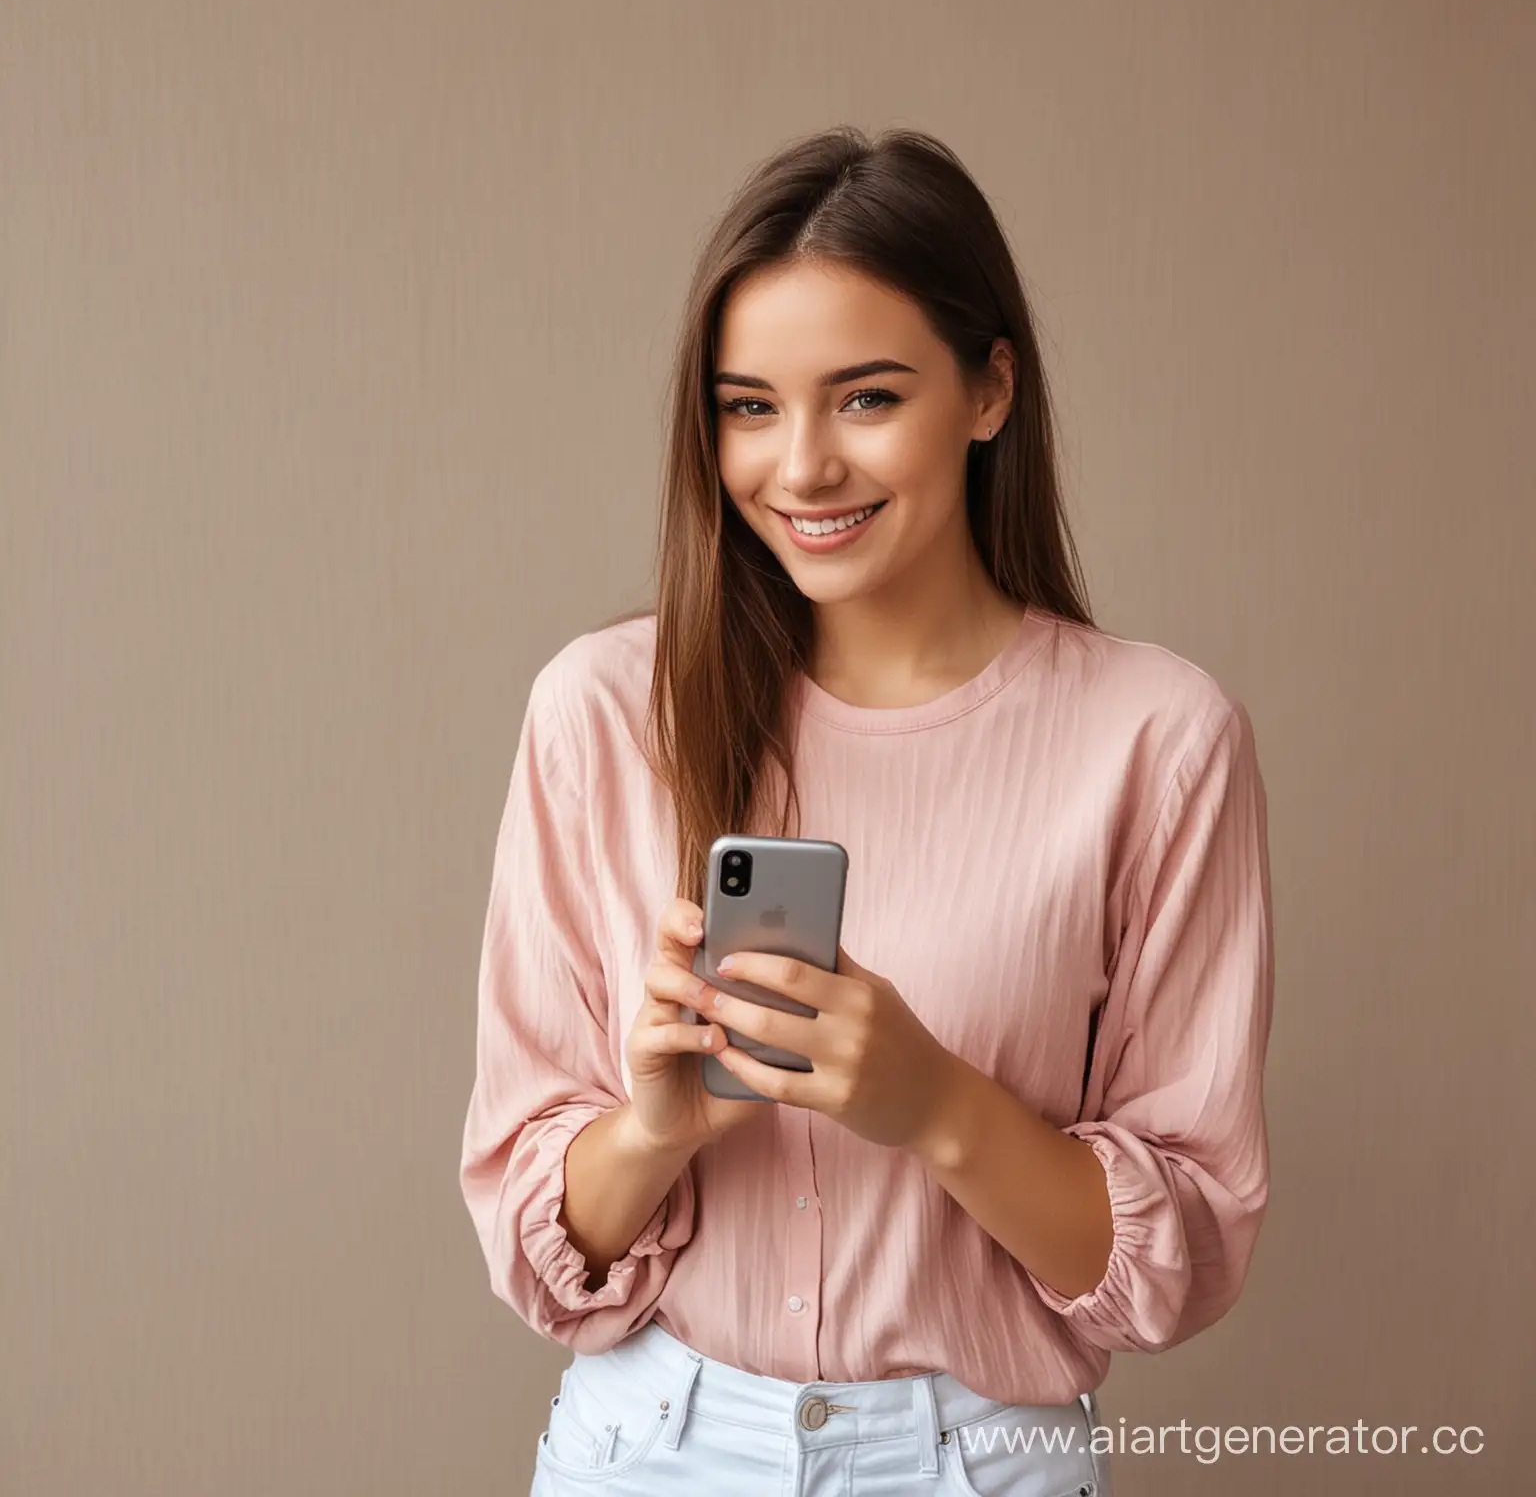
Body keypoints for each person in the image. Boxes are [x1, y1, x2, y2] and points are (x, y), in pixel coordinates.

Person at [459, 124, 1274, 1497]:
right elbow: (539, 1248)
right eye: (750, 406)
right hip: (645, 1451)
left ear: (991, 388)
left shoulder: (1159, 742)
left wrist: (935, 1103)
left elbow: (1175, 1262)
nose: (802, 468)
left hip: (979, 1460)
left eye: (869, 398)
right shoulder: (601, 713)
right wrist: (658, 1127)